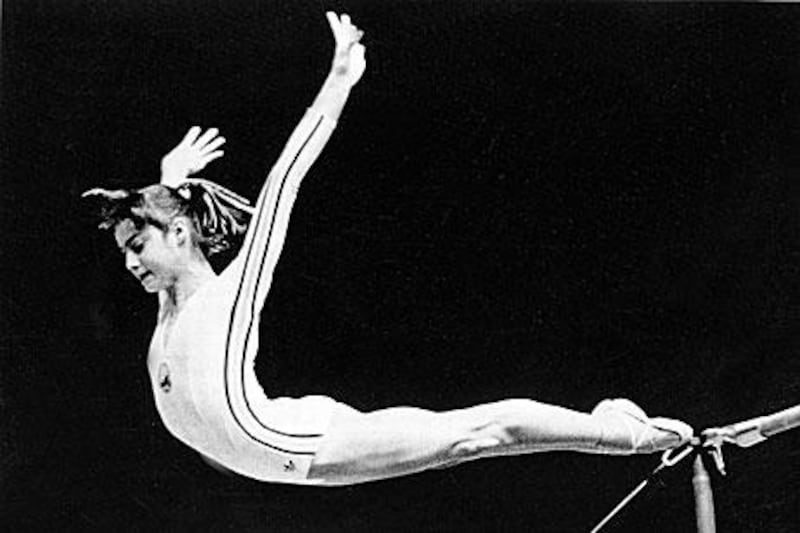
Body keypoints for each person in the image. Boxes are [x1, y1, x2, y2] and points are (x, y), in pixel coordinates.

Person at [83, 12, 692, 486]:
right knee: (460, 441)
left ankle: (622, 434)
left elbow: (284, 180)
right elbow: (168, 238)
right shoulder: (171, 308)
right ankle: (614, 428)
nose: (131, 262)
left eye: (137, 245)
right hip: (287, 431)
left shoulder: (228, 298)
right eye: (124, 252)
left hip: (302, 447)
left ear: (182, 234)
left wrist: (338, 82)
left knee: (475, 436)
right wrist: (164, 182)